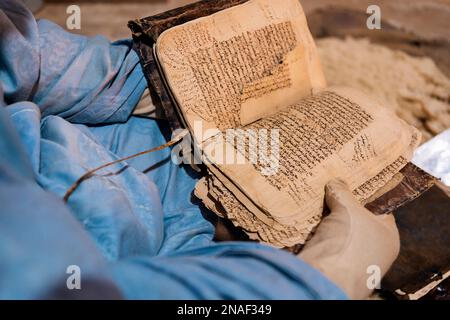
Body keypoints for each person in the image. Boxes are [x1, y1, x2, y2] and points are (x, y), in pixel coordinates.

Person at [0, 0, 399, 299]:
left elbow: (21, 58)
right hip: (173, 254)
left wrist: (137, 79)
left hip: (109, 138)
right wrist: (324, 278)